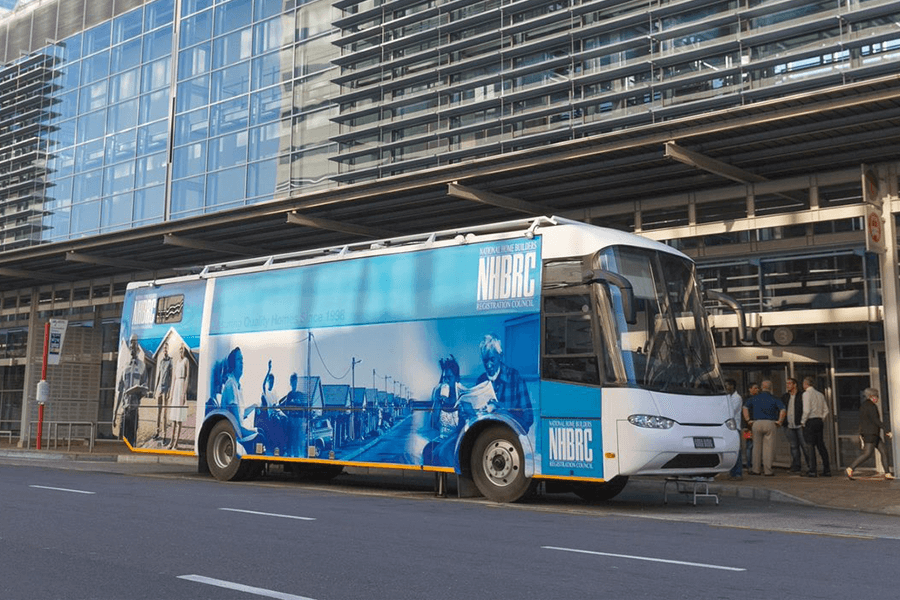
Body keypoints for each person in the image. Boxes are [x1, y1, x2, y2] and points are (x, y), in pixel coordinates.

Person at [475, 334, 534, 433]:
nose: (488, 365)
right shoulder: (481, 380)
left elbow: (528, 419)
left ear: (500, 357)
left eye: (492, 359)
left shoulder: (515, 378)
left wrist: (502, 413)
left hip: (508, 437)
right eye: (485, 360)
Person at [846, 388, 894, 480]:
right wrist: (887, 430)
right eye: (877, 396)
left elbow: (862, 420)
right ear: (872, 396)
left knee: (884, 451)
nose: (878, 398)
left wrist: (861, 432)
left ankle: (887, 473)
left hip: (870, 433)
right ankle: (850, 468)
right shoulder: (871, 406)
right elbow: (876, 420)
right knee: (867, 454)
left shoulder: (863, 406)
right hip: (871, 433)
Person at [743, 380, 786, 476]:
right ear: (770, 388)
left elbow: (745, 408)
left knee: (755, 447)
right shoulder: (774, 398)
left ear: (762, 387)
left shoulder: (752, 398)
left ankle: (755, 469)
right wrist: (779, 421)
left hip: (755, 424)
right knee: (769, 448)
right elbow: (782, 410)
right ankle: (768, 470)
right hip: (770, 423)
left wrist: (748, 420)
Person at [114, 335, 147, 445]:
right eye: (131, 343)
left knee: (132, 442)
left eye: (135, 344)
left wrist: (139, 392)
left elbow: (145, 389)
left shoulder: (142, 366)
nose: (133, 346)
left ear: (138, 348)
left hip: (134, 410)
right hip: (125, 410)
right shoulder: (124, 367)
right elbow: (119, 391)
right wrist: (115, 413)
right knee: (121, 441)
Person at [800, 376, 831, 477]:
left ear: (806, 384)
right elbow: (826, 410)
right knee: (821, 445)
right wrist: (821, 418)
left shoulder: (806, 394)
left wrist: (803, 421)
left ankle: (812, 470)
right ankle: (827, 469)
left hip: (810, 421)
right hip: (819, 421)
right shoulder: (820, 394)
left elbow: (806, 410)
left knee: (810, 446)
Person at [781, 377, 809, 474]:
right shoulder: (785, 397)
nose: (787, 386)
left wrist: (804, 422)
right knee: (793, 446)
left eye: (789, 383)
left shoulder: (802, 395)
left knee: (805, 445)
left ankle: (810, 465)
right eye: (787, 384)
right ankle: (796, 466)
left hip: (800, 425)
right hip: (789, 425)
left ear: (795, 385)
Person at [168, 345, 190, 449]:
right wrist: (171, 393)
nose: (181, 352)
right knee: (173, 418)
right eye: (180, 350)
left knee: (179, 418)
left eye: (183, 350)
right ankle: (171, 441)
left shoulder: (186, 361)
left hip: (181, 387)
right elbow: (173, 378)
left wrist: (184, 393)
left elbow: (187, 378)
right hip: (176, 386)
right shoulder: (176, 362)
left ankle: (176, 443)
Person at [725, 378, 743, 480]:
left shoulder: (737, 398)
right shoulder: (728, 397)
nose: (726, 388)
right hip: (730, 427)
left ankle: (738, 473)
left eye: (727, 385)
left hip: (737, 428)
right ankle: (732, 472)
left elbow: (730, 411)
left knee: (738, 450)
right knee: (731, 449)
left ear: (732, 386)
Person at [153, 343, 172, 442]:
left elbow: (171, 377)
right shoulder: (160, 362)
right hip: (160, 390)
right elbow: (158, 376)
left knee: (164, 414)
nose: (164, 349)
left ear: (168, 349)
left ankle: (164, 435)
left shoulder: (170, 362)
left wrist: (169, 390)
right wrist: (155, 389)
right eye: (163, 348)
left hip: (165, 390)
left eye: (166, 348)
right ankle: (157, 433)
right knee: (158, 412)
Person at [742, 382, 760, 471]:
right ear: (750, 389)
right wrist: (745, 425)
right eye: (755, 388)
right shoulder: (746, 400)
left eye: (757, 388)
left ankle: (755, 463)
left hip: (756, 424)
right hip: (748, 426)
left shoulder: (758, 398)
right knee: (749, 445)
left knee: (755, 444)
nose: (757, 389)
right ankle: (749, 464)